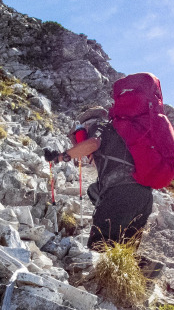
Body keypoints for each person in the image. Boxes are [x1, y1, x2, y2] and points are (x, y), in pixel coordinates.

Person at [52, 106, 156, 255]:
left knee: (98, 247)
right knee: (125, 253)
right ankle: (138, 273)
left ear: (86, 124)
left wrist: (62, 156)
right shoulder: (121, 135)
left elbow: (93, 143)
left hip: (121, 193)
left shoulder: (99, 126)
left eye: (81, 129)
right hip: (144, 197)